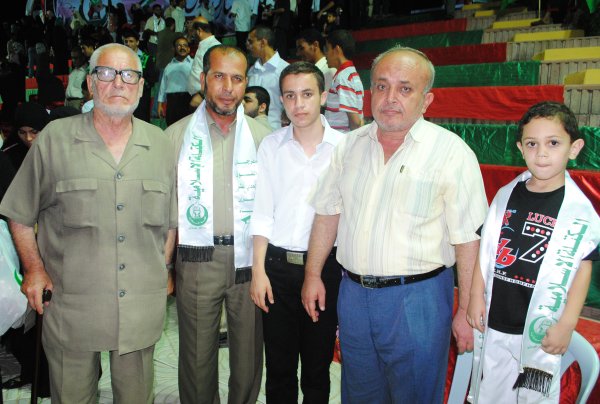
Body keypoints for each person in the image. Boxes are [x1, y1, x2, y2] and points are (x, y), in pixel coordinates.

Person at [301, 45, 488, 403]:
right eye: (382, 86)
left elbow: (468, 239)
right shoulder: (349, 146)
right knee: (359, 394)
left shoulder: (452, 153)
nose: (390, 98)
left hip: (418, 300)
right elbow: (327, 213)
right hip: (354, 296)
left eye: (405, 89)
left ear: (426, 100)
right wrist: (312, 274)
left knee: (414, 395)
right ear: (370, 91)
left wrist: (465, 309)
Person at [0, 43, 177, 403]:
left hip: (139, 306)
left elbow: (170, 222)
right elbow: (19, 213)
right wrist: (34, 270)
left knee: (135, 396)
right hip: (72, 305)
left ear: (141, 86)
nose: (118, 83)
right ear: (91, 83)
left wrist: (164, 267)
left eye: (129, 75)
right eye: (107, 73)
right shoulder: (55, 139)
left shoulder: (160, 144)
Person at [466, 101, 600, 403]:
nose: (541, 153)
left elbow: (582, 269)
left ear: (574, 148)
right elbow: (486, 251)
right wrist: (475, 296)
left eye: (553, 143)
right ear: (520, 148)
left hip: (541, 326)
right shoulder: (506, 195)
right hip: (498, 317)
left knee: (534, 396)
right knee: (492, 393)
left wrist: (567, 323)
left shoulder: (578, 211)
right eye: (532, 144)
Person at [166, 44, 270, 404]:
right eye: (219, 77)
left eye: (237, 79)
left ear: (246, 83)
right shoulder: (175, 137)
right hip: (197, 258)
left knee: (248, 354)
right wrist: (165, 266)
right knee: (196, 355)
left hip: (250, 261)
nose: (228, 87)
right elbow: (166, 209)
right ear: (203, 79)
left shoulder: (264, 138)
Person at [250, 61, 343, 403]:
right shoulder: (271, 146)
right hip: (276, 268)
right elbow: (262, 212)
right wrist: (258, 271)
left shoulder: (344, 148)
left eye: (307, 94)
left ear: (323, 96)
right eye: (290, 96)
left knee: (317, 369)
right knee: (279, 368)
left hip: (326, 269)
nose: (298, 104)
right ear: (281, 100)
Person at [247, 25, 289, 129]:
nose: (248, 45)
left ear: (262, 42)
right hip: (251, 128)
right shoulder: (251, 71)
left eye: (251, 42)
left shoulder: (285, 70)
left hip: (276, 129)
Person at [323, 29, 363, 132]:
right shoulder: (351, 74)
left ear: (337, 50)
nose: (325, 54)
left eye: (327, 49)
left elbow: (355, 121)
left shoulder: (343, 78)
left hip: (342, 138)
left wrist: (351, 139)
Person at [122, 29, 158, 122]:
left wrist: (137, 87)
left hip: (141, 97)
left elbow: (152, 79)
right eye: (126, 41)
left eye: (131, 41)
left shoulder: (147, 58)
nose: (128, 44)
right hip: (125, 96)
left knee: (141, 121)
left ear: (137, 42)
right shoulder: (121, 59)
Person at [1, 102, 49, 170]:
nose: (28, 138)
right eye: (22, 132)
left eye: (34, 132)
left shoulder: (55, 150)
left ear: (45, 129)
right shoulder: (8, 156)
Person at [186, 16, 221, 107]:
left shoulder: (214, 47)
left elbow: (218, 75)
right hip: (199, 99)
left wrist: (201, 95)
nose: (192, 35)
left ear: (199, 31)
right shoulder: (204, 45)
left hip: (204, 99)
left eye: (192, 31)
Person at [158, 35, 193, 125]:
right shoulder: (169, 66)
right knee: (172, 127)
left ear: (188, 49)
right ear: (174, 49)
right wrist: (160, 104)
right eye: (179, 45)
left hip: (189, 100)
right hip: (172, 102)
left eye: (185, 45)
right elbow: (163, 86)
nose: (182, 48)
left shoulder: (194, 64)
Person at [64, 46, 89, 110]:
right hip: (68, 102)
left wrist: (85, 102)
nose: (73, 60)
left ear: (82, 57)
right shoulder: (73, 72)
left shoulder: (86, 71)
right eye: (72, 58)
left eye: (76, 58)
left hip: (78, 102)